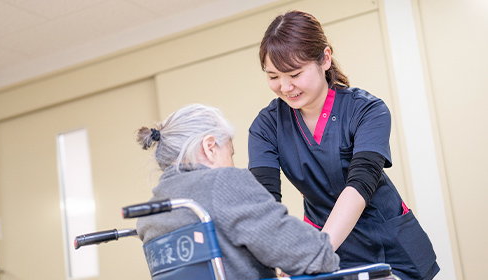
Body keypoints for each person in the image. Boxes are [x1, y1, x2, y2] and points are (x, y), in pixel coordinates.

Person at [248, 10, 439, 280]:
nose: (285, 86)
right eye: (273, 76)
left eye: (295, 74)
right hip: (329, 253)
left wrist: (315, 254)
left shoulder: (367, 110)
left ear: (325, 59)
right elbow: (263, 202)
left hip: (390, 248)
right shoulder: (266, 127)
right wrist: (278, 256)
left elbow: (360, 185)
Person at [135, 104, 339, 280]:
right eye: (230, 153)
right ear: (210, 147)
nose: (233, 164)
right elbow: (312, 253)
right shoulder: (222, 183)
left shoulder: (149, 216)